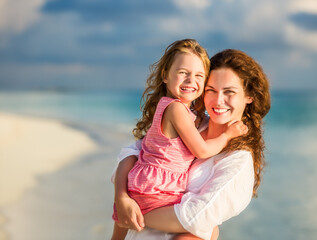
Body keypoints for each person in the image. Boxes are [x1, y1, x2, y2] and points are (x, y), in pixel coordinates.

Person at [112, 49, 271, 240]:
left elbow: (196, 218)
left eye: (229, 92)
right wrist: (121, 197)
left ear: (249, 96)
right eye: (211, 90)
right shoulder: (192, 122)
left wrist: (129, 215)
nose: (218, 100)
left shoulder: (237, 162)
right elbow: (133, 153)